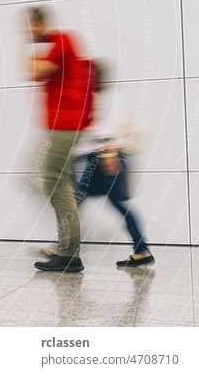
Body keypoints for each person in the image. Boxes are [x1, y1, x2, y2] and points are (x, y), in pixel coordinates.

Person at [26, 6, 94, 273]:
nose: (28, 32)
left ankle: (68, 252)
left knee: (56, 181)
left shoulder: (61, 41)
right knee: (58, 182)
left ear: (40, 23)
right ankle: (67, 250)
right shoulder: (57, 43)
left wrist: (30, 48)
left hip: (66, 124)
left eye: (30, 26)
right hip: (64, 125)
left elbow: (33, 71)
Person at [70, 64, 154, 267]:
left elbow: (109, 130)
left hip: (103, 158)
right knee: (110, 202)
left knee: (76, 202)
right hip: (98, 157)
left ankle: (65, 250)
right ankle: (141, 249)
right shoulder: (98, 96)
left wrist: (108, 155)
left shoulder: (107, 98)